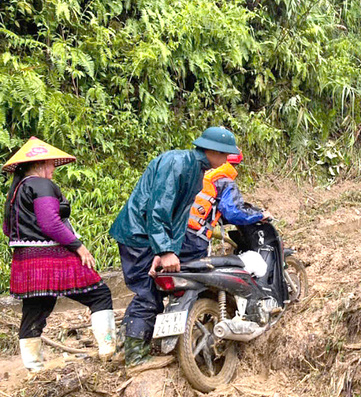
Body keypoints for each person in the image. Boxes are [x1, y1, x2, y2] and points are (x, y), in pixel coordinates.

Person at [109, 127, 240, 368]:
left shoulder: (195, 169)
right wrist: (164, 250)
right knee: (148, 294)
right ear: (213, 151)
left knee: (150, 292)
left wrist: (168, 250)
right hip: (138, 234)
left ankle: (124, 349)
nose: (227, 160)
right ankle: (135, 358)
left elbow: (178, 218)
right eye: (225, 154)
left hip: (147, 236)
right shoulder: (179, 163)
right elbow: (159, 209)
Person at [2, 137, 115, 371]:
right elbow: (50, 223)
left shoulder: (17, 190)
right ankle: (108, 349)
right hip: (52, 256)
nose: (54, 169)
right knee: (99, 294)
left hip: (25, 259)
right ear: (41, 164)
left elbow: (7, 229)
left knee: (35, 309)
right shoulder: (41, 185)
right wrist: (78, 246)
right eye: (52, 164)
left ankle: (34, 367)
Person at [180, 151, 271, 262]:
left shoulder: (205, 176)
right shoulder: (225, 182)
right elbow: (233, 212)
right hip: (194, 239)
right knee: (195, 274)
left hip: (179, 230)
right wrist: (260, 215)